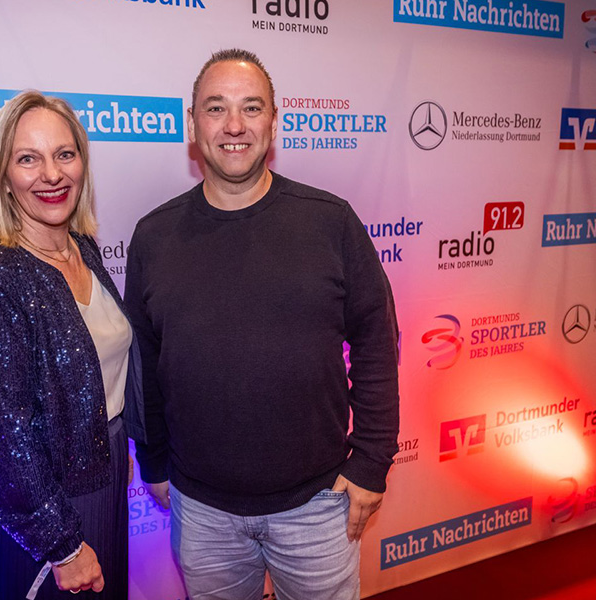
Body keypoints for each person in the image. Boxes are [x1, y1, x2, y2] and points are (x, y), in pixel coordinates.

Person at [124, 49, 400, 600]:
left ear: (274, 122)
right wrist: (151, 460)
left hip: (319, 508)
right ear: (192, 124)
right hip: (201, 512)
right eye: (216, 108)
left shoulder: (330, 221)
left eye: (251, 108)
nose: (233, 126)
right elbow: (145, 367)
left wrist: (372, 459)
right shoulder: (154, 237)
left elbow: (377, 339)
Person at [0, 91, 145, 600]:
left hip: (99, 484)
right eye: (28, 159)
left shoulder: (82, 249)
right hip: (42, 514)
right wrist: (61, 545)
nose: (52, 174)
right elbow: (5, 436)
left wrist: (117, 446)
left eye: (64, 154)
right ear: (4, 175)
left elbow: (102, 373)